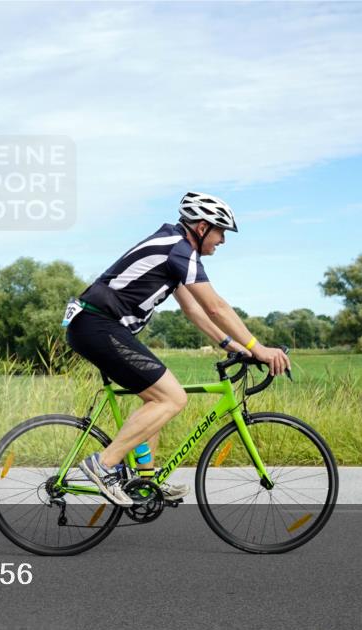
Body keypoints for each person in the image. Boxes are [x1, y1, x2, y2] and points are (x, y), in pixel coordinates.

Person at [65, 192, 290, 506]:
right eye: (220, 231)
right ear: (201, 227)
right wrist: (260, 348)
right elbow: (216, 307)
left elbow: (195, 311)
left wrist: (234, 346)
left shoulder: (175, 249)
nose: (223, 240)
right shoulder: (178, 250)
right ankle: (102, 465)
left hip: (99, 327)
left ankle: (145, 482)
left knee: (154, 399)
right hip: (98, 325)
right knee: (171, 397)